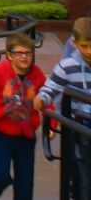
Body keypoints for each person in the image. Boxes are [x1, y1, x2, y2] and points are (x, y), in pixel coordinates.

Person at [0, 32, 46, 200]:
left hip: (26, 135)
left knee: (25, 184)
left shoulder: (37, 74)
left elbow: (46, 97)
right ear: (9, 55)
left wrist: (51, 124)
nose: (24, 57)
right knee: (0, 175)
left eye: (28, 53)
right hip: (1, 133)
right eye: (19, 53)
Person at [35, 17, 91, 200]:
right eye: (85, 46)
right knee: (83, 175)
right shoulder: (66, 67)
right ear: (74, 44)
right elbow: (50, 88)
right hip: (79, 127)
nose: (89, 51)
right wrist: (41, 100)